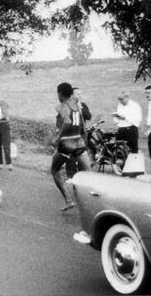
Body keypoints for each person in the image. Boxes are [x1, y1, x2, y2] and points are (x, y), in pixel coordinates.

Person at [51, 82, 91, 211]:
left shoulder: (61, 106)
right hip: (79, 141)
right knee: (89, 173)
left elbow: (67, 122)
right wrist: (84, 141)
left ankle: (68, 200)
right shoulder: (78, 106)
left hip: (67, 143)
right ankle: (94, 201)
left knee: (54, 169)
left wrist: (57, 139)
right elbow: (83, 127)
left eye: (58, 93)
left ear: (60, 94)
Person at [65, 87, 91, 178]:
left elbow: (88, 117)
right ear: (72, 95)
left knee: (82, 154)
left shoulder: (83, 105)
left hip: (82, 133)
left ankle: (83, 175)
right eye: (78, 94)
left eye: (81, 94)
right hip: (71, 134)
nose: (80, 96)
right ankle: (71, 176)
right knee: (71, 155)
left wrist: (81, 108)